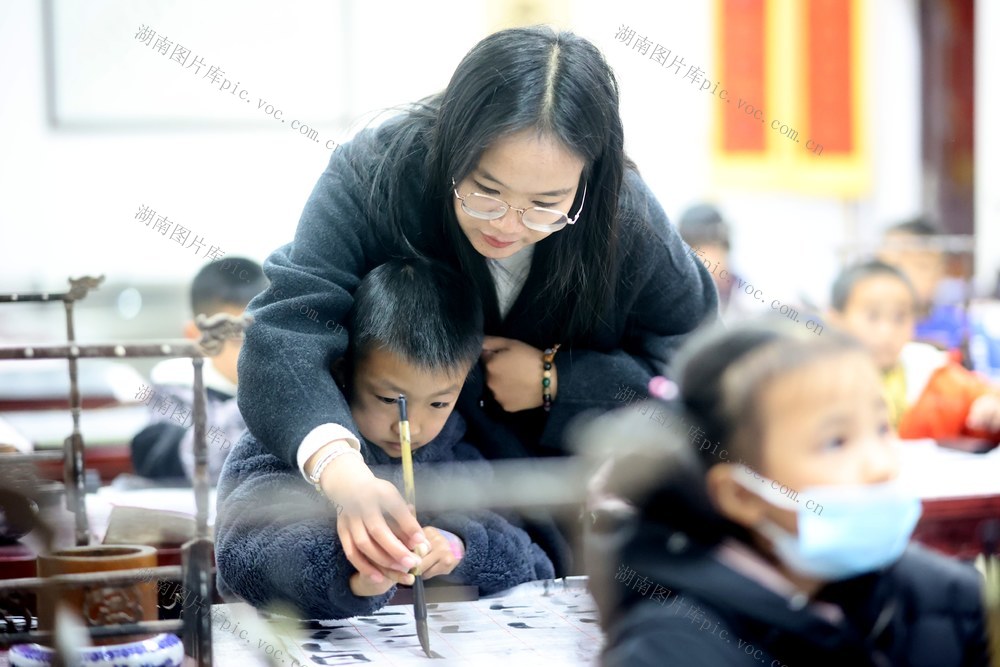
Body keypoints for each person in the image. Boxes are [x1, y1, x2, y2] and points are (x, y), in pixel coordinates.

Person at [236, 26, 718, 582]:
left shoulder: (624, 221)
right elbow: (288, 326)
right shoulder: (376, 175)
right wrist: (342, 471)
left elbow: (699, 365)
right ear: (451, 144)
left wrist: (557, 380)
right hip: (378, 467)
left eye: (545, 204)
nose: (509, 226)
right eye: (486, 191)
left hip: (545, 512)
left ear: (589, 179)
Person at [581, 321, 989, 666]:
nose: (881, 464)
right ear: (741, 495)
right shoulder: (674, 649)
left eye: (882, 429)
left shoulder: (946, 601)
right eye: (835, 442)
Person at [215, 258, 556, 618]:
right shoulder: (294, 443)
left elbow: (532, 565)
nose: (410, 427)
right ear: (344, 371)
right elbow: (241, 555)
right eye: (390, 400)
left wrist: (460, 546)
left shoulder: (459, 458)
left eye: (439, 402)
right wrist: (355, 575)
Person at [827, 259, 1000, 441]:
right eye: (872, 316)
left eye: (900, 317)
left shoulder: (933, 372)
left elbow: (983, 398)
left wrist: (990, 407)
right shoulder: (816, 382)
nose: (887, 331)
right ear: (835, 321)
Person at [131, 257, 267, 484]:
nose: (252, 352)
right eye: (236, 339)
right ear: (196, 335)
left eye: (262, 337)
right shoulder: (176, 386)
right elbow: (168, 459)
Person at [676, 203, 753, 323]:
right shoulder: (679, 301)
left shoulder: (749, 298)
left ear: (725, 247)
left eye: (713, 246)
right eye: (696, 250)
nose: (707, 259)